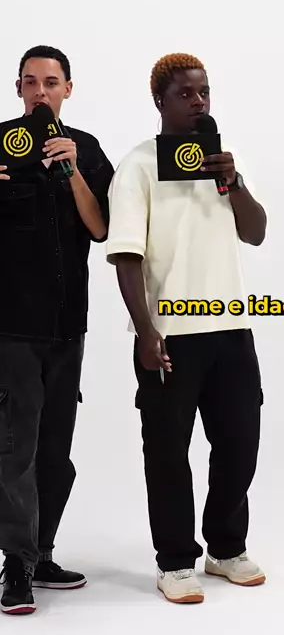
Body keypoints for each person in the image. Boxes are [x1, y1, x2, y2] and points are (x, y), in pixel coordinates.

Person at [106, 53, 267, 604]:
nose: (198, 101)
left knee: (240, 443)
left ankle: (225, 548)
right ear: (160, 100)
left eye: (204, 92)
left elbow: (256, 232)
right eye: (185, 93)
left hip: (231, 328)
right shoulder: (138, 166)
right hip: (170, 334)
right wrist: (146, 331)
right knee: (168, 453)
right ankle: (175, 561)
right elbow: (126, 255)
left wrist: (233, 181)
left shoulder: (223, 160)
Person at [0, 45, 114, 615]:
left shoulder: (86, 149)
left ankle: (42, 552)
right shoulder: (0, 144)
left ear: (68, 88)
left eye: (50, 82)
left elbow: (101, 229)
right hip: (13, 328)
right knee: (14, 451)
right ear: (18, 88)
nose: (39, 91)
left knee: (55, 452)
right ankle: (16, 566)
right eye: (30, 82)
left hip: (69, 327)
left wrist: (73, 174)